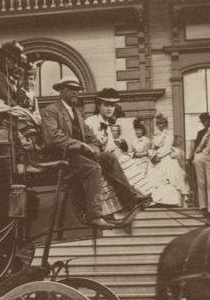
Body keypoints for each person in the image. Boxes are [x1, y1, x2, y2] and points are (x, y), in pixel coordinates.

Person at [41, 76, 151, 229]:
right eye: (72, 90)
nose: (76, 93)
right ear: (62, 91)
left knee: (110, 158)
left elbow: (90, 136)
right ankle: (95, 215)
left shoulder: (77, 112)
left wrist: (95, 148)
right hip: (63, 155)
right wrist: (81, 145)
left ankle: (130, 199)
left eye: (78, 90)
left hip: (80, 153)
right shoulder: (51, 110)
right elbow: (52, 138)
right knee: (94, 168)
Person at [85, 88, 153, 199]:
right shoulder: (91, 122)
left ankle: (139, 192)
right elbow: (86, 143)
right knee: (119, 160)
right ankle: (129, 196)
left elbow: (111, 145)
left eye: (112, 106)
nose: (109, 109)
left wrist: (118, 151)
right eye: (106, 105)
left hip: (105, 157)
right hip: (93, 157)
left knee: (126, 160)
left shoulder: (107, 125)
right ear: (98, 106)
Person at [147, 114, 190, 206]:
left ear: (165, 124)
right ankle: (157, 199)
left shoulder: (169, 134)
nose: (160, 125)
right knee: (154, 176)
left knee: (169, 177)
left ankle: (171, 201)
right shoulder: (157, 135)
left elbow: (167, 147)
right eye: (158, 124)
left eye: (162, 123)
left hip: (166, 157)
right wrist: (154, 154)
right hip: (157, 158)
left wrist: (159, 155)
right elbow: (154, 147)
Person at [193, 121, 210, 217]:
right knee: (202, 183)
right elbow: (201, 144)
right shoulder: (208, 131)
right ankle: (203, 207)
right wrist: (197, 152)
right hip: (202, 156)